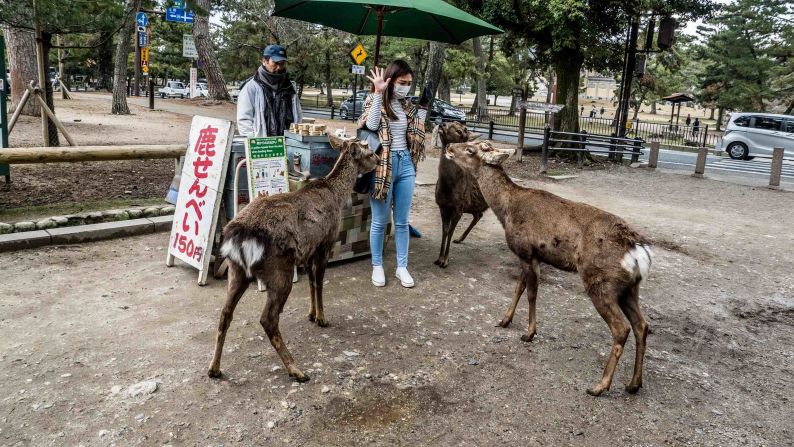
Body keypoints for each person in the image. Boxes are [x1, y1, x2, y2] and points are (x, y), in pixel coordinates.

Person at [358, 60, 428, 288]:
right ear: (390, 80)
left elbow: (415, 135)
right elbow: (370, 124)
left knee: (402, 221)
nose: (406, 87)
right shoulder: (375, 100)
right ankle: (377, 265)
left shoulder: (408, 106)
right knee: (379, 221)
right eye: (401, 82)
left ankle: (401, 267)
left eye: (409, 83)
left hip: (406, 163)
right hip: (383, 164)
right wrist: (379, 93)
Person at [237, 44, 302, 137]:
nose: (279, 67)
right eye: (275, 63)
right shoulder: (251, 87)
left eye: (282, 63)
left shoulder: (290, 87)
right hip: (263, 146)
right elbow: (244, 120)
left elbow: (298, 115)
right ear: (264, 61)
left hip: (288, 144)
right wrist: (254, 143)